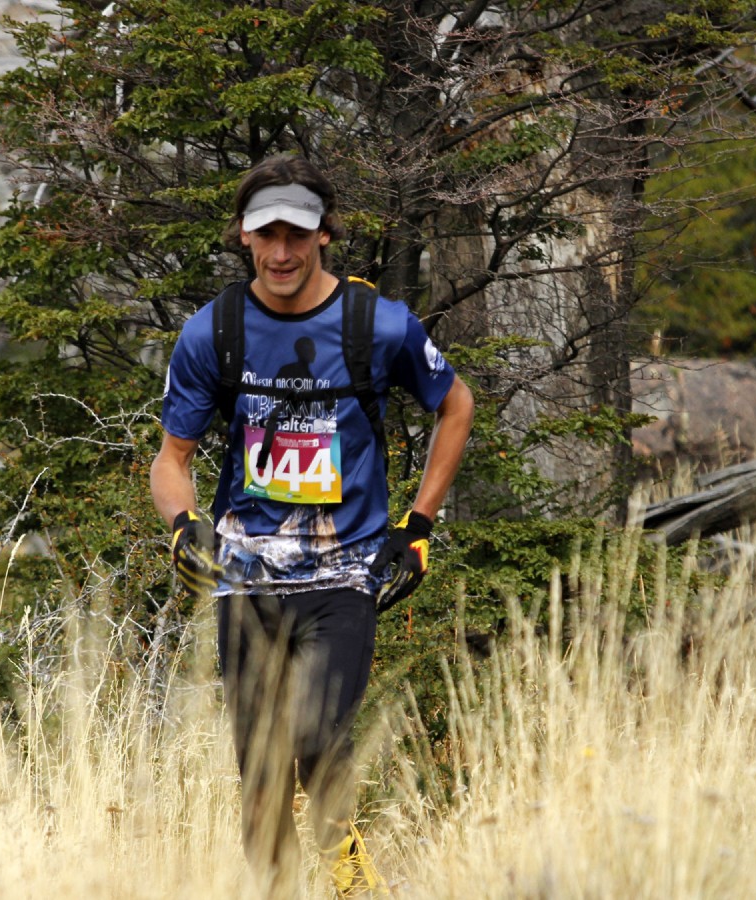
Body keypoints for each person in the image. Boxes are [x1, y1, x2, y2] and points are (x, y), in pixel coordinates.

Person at [150, 154, 474, 896]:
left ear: (326, 234)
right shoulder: (215, 332)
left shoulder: (377, 324)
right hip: (245, 576)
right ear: (243, 237)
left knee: (318, 734)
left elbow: (456, 405)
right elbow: (171, 461)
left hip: (345, 571)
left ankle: (350, 878)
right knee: (260, 779)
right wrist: (183, 524)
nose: (283, 253)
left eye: (298, 234)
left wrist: (417, 526)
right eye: (268, 235)